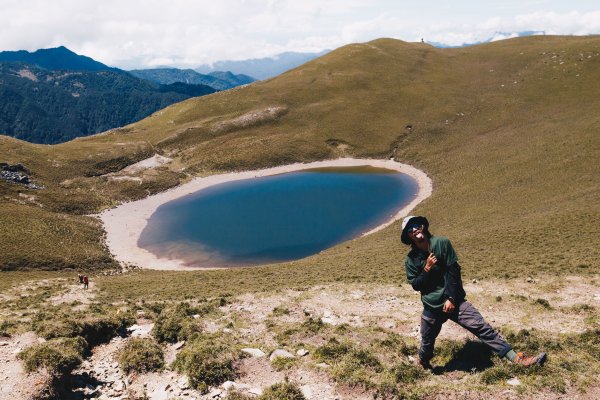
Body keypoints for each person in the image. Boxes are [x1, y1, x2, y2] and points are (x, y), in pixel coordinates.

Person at [401, 215, 546, 369]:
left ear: (423, 226)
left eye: (416, 224)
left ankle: (517, 359)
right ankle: (424, 362)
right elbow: (416, 285)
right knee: (427, 339)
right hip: (432, 306)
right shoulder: (411, 259)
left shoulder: (442, 243)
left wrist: (451, 297)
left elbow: (453, 271)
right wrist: (427, 268)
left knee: (481, 326)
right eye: (410, 228)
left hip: (454, 301)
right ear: (409, 236)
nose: (414, 229)